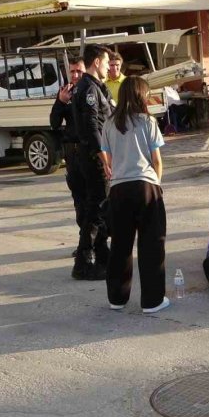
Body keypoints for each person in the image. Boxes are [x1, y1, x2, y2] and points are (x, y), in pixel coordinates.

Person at [98, 76, 169, 313]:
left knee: (120, 244)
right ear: (141, 95)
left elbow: (106, 156)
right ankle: (152, 301)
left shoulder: (109, 123)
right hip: (146, 185)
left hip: (119, 189)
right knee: (152, 244)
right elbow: (156, 160)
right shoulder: (148, 121)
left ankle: (116, 299)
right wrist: (156, 185)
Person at [73, 44, 115, 280]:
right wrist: (104, 158)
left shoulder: (96, 87)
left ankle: (101, 253)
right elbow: (92, 127)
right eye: (107, 61)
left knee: (98, 207)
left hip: (93, 156)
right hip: (93, 157)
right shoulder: (88, 88)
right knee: (96, 209)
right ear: (96, 62)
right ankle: (84, 260)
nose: (109, 66)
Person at [50, 58, 87, 244]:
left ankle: (97, 242)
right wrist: (61, 103)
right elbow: (54, 123)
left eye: (79, 71)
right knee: (79, 200)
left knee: (96, 200)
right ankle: (84, 241)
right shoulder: (65, 93)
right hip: (73, 153)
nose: (75, 75)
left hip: (91, 152)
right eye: (72, 71)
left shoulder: (91, 90)